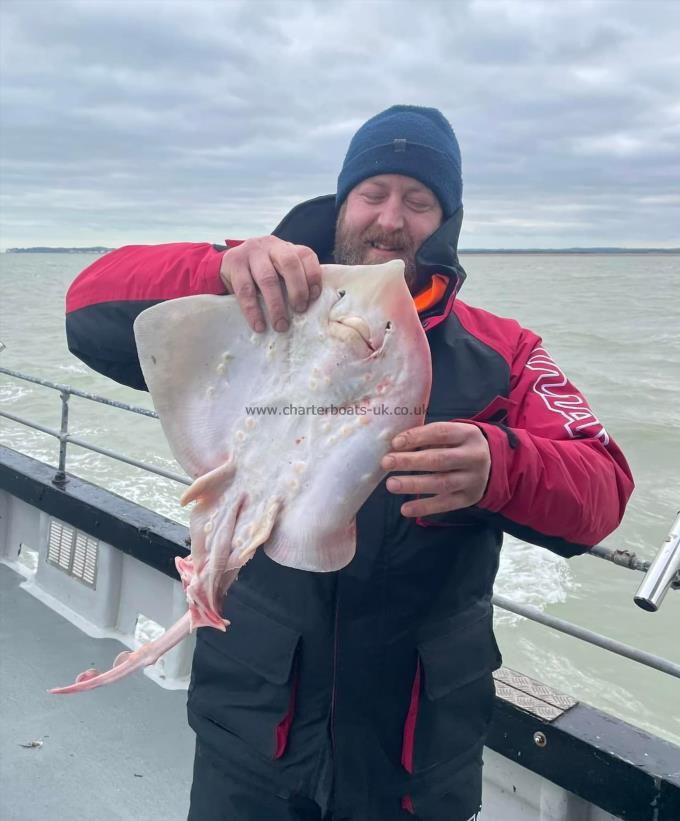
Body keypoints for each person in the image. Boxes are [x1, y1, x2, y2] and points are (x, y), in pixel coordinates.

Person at [65, 105, 634, 821]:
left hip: (413, 763)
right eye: (373, 193)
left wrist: (501, 465)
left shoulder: (502, 352)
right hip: (253, 738)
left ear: (448, 220)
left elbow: (604, 485)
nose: (391, 219)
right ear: (343, 202)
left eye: (419, 201)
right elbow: (86, 308)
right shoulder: (254, 307)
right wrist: (219, 267)